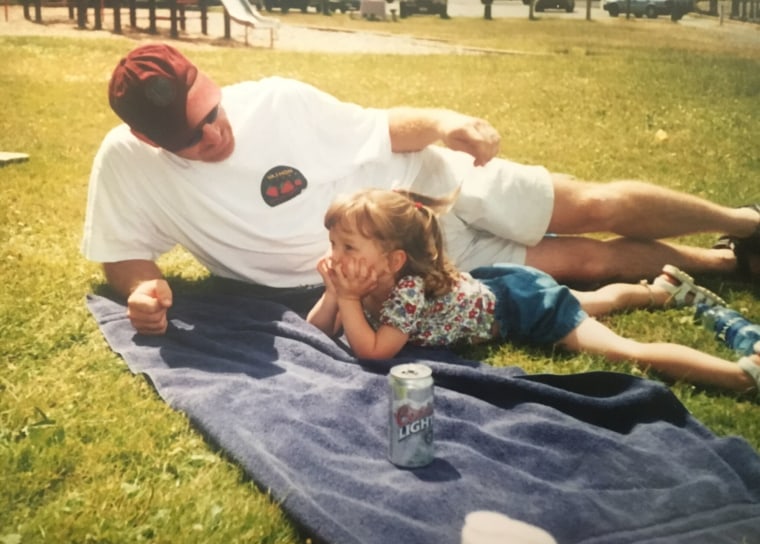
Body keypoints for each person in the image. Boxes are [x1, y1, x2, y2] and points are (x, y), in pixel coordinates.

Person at [82, 42, 760, 336]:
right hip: (409, 267)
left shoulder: (278, 101)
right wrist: (142, 289)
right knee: (581, 261)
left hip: (436, 191)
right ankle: (725, 263)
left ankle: (745, 220)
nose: (217, 133)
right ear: (151, 141)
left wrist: (444, 121)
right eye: (195, 136)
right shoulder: (127, 164)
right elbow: (124, 252)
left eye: (215, 109)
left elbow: (381, 128)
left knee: (593, 205)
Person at [306, 188, 759, 394]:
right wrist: (333, 293)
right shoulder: (363, 280)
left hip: (522, 305)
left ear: (393, 260)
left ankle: (742, 374)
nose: (337, 255)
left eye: (348, 246)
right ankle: (657, 291)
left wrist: (346, 300)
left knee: (621, 350)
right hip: (496, 285)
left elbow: (375, 353)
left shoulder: (405, 291)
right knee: (590, 301)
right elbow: (319, 332)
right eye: (334, 244)